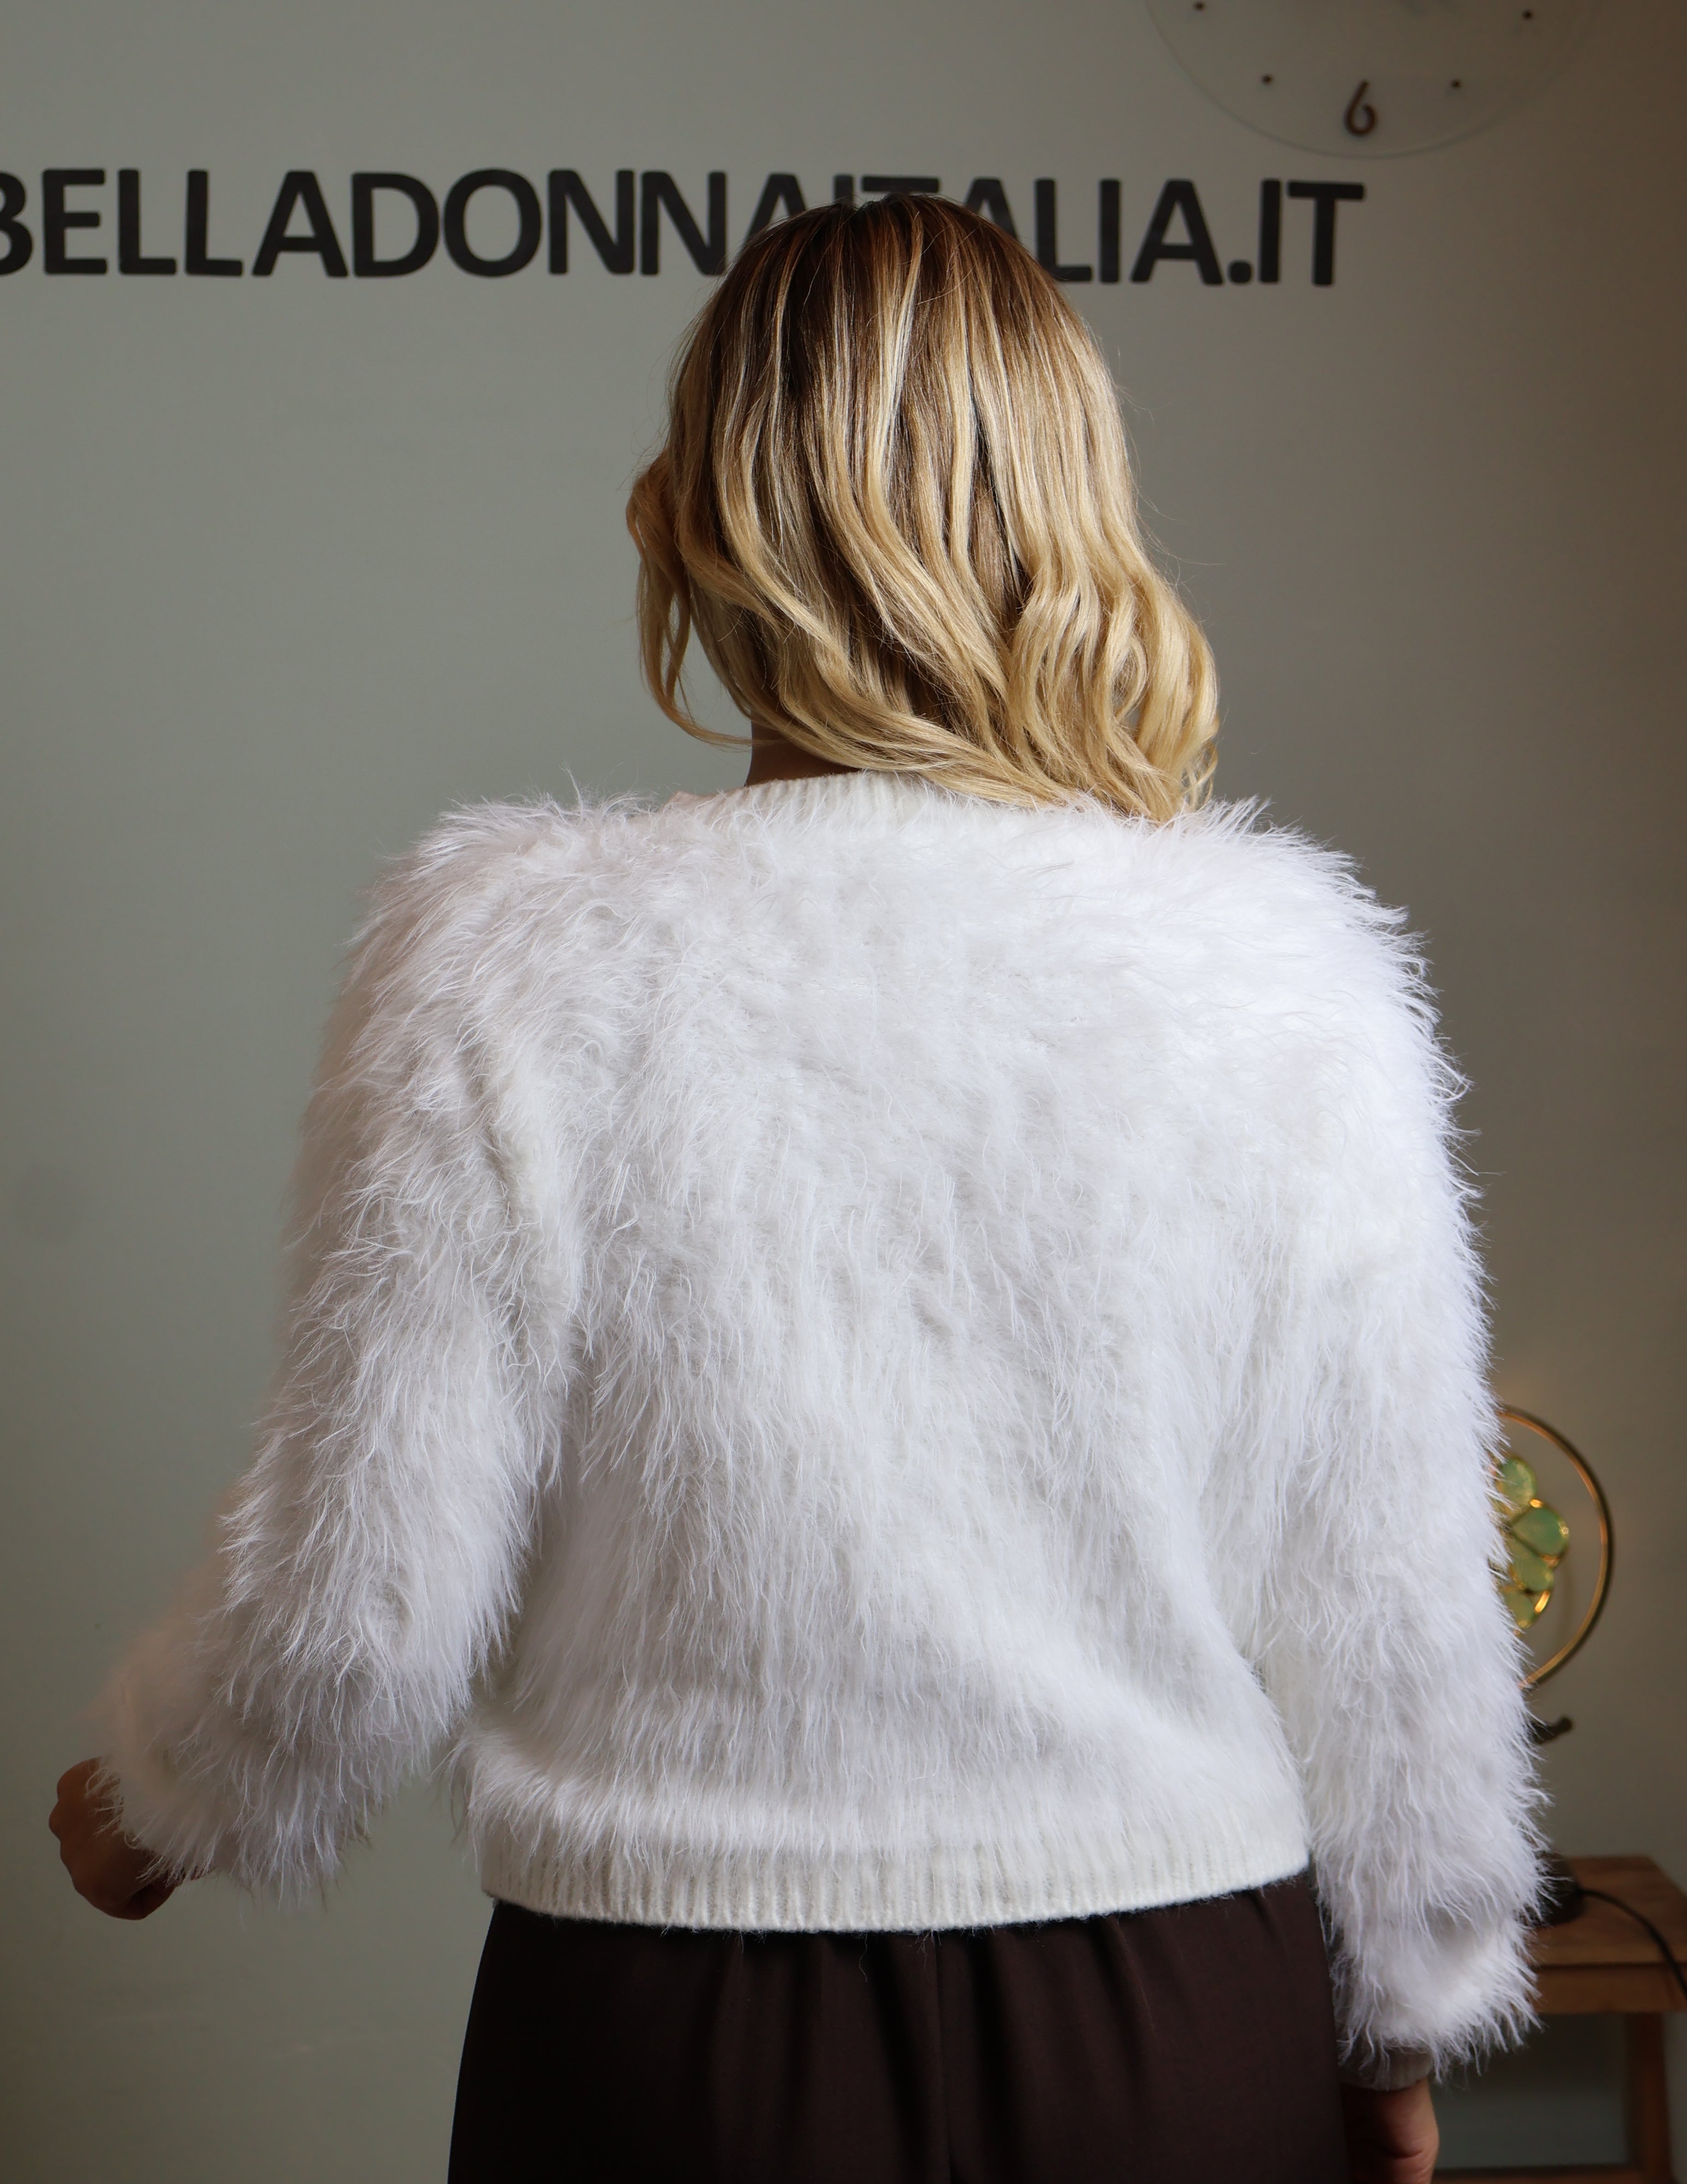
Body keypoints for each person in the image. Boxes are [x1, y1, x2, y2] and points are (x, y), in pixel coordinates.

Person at [52, 195, 1539, 2184]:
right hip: (1175, 2025)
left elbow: (362, 1605)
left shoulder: (510, 959)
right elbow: (1389, 1613)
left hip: (672, 2045)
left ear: (686, 520)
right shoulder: (1285, 972)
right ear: (1071, 515)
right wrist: (1401, 2029)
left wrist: (156, 1807)